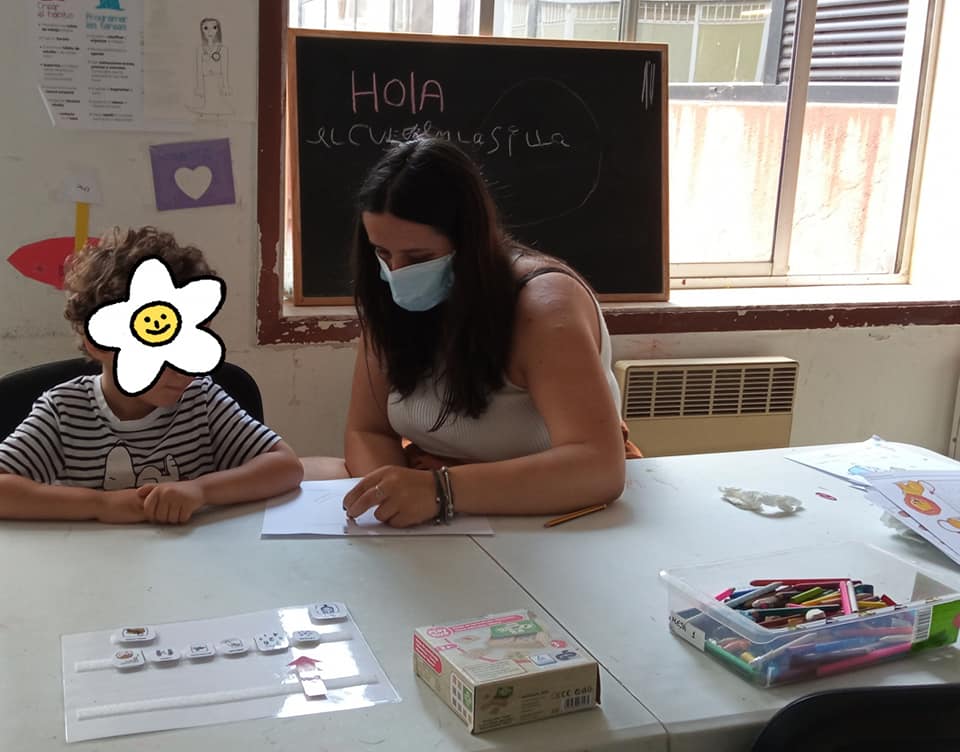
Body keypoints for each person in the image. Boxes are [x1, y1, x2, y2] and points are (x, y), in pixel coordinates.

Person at [305, 137, 638, 527]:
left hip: (560, 500)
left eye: (419, 258)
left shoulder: (544, 307)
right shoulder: (387, 301)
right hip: (443, 498)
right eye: (382, 253)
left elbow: (598, 466)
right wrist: (389, 500)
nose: (396, 273)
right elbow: (368, 430)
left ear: (470, 243)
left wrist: (439, 492)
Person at [0, 226, 303, 524]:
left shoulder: (202, 401)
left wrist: (200, 490)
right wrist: (100, 504)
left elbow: (286, 466)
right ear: (100, 345)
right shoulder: (64, 411)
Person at [188, 17, 233, 117]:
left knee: (218, 103)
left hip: (218, 81)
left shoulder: (223, 49)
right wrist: (199, 87)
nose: (210, 31)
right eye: (205, 28)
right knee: (207, 103)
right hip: (206, 81)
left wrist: (226, 86)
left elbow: (224, 70)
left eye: (214, 27)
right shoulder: (200, 49)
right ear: (202, 31)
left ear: (218, 30)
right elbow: (199, 70)